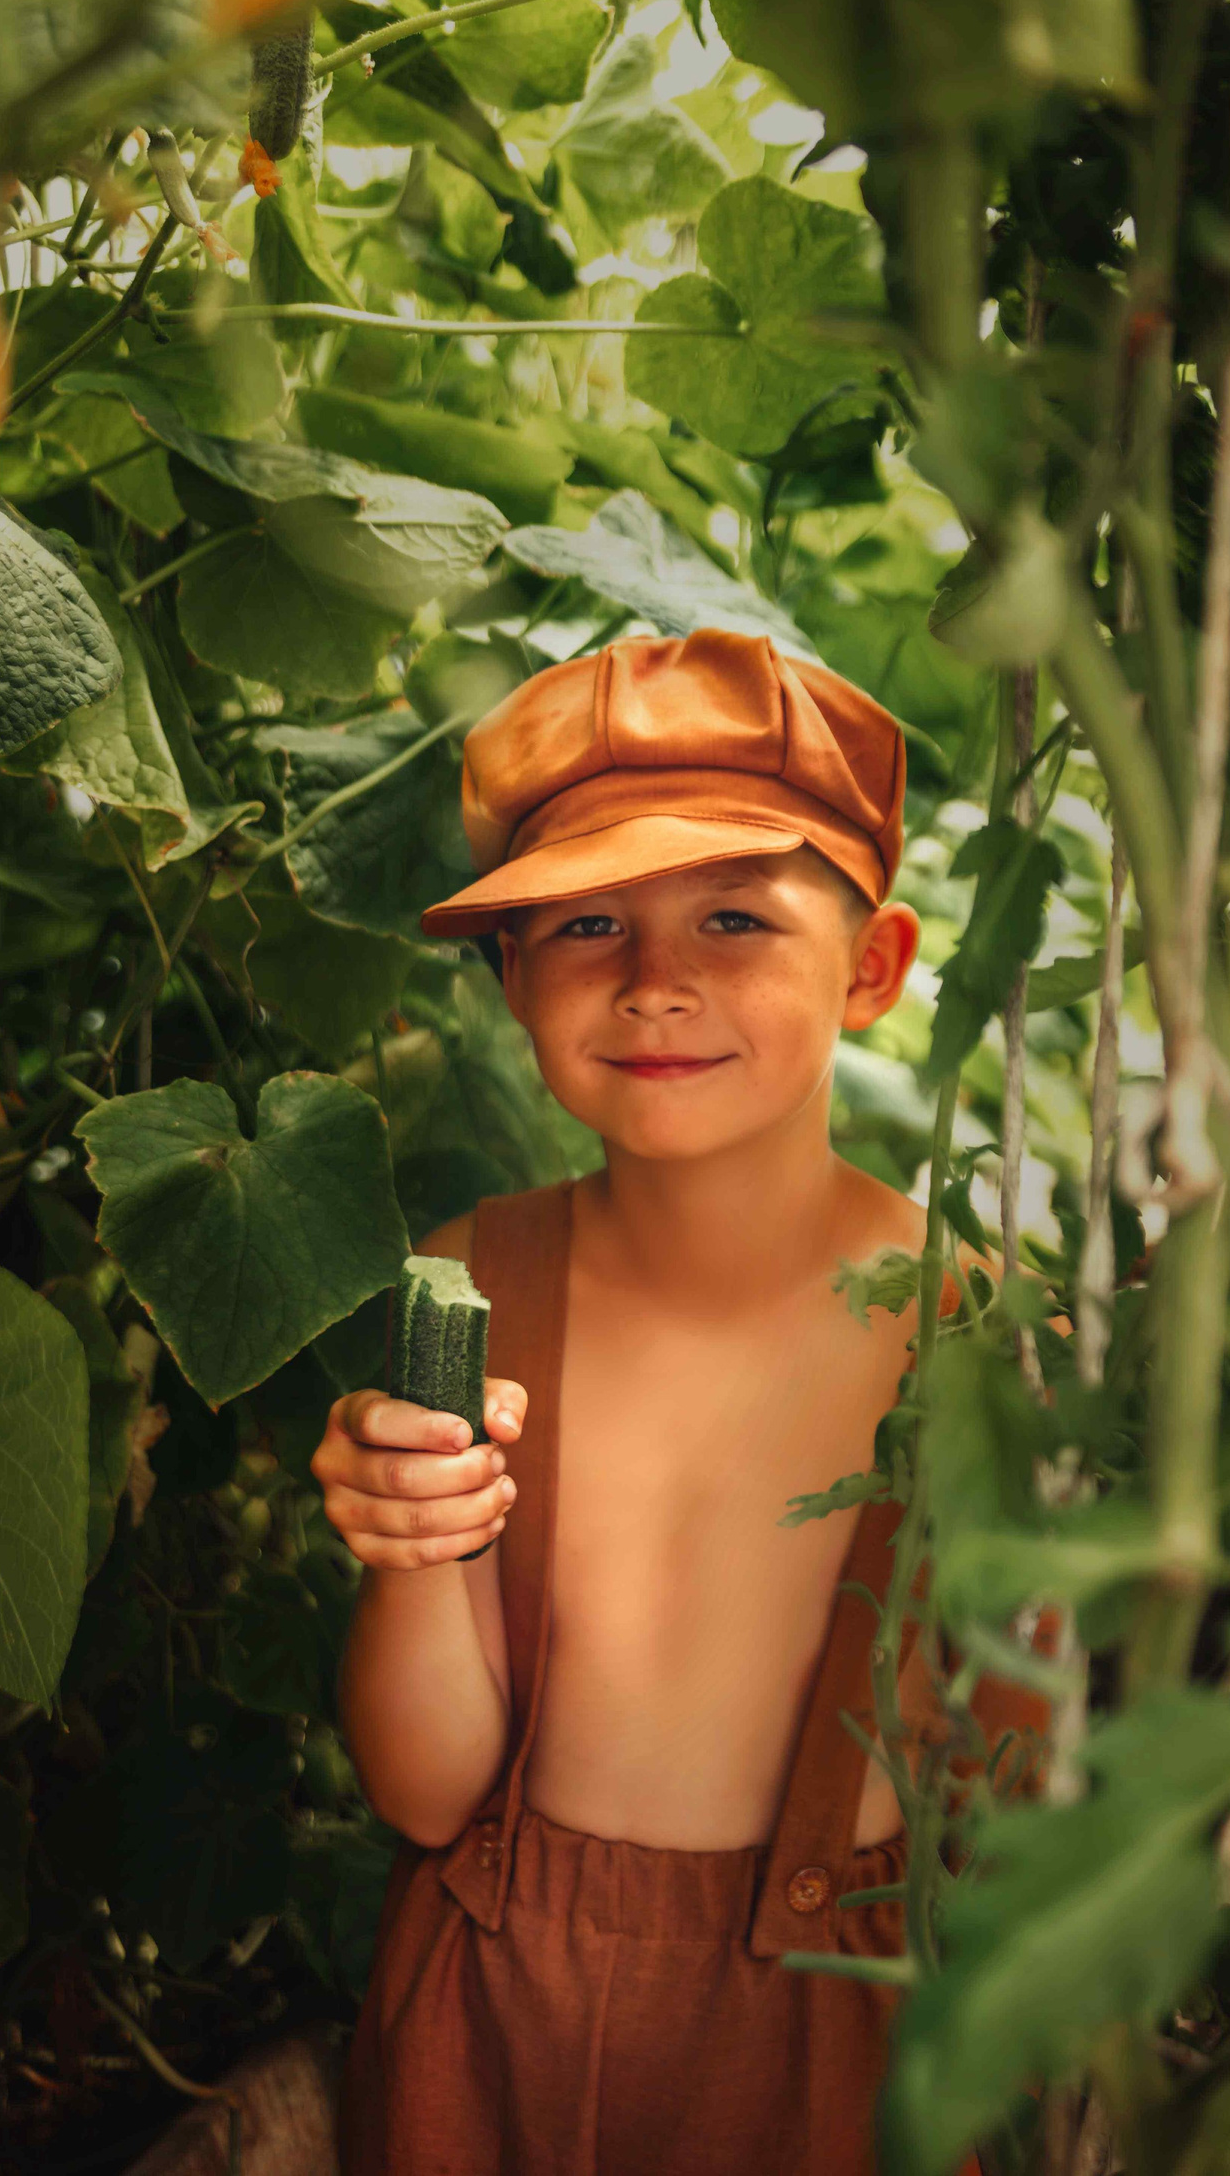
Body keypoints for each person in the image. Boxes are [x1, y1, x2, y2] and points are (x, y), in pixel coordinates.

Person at [315, 628, 1039, 2176]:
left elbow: (1026, 1772)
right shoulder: (471, 1281)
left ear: (873, 968)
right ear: (511, 976)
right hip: (493, 2019)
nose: (656, 985)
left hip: (835, 2040)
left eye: (731, 916)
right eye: (585, 923)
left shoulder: (969, 1327)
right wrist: (411, 1551)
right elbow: (427, 1787)